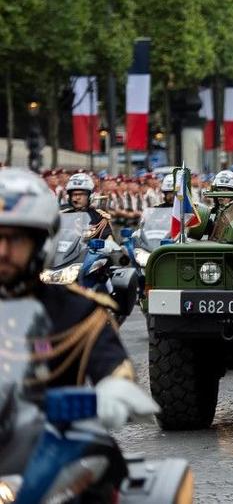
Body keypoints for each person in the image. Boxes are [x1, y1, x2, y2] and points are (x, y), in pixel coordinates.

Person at [0, 168, 156, 429]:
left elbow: (109, 359)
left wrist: (115, 384)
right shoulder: (65, 212)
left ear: (40, 243)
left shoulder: (77, 310)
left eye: (15, 240)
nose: (3, 252)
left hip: (55, 438)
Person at [60, 172, 112, 240]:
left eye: (82, 194)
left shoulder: (99, 217)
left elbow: (109, 241)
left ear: (90, 196)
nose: (77, 198)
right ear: (69, 197)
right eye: (74, 194)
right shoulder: (62, 216)